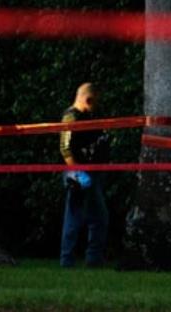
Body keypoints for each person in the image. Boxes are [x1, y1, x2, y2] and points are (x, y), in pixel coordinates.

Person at [59, 82, 110, 268]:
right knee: (75, 216)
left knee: (98, 217)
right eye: (96, 102)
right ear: (89, 99)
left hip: (93, 171)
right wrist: (77, 172)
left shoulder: (89, 116)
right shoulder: (71, 117)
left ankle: (93, 260)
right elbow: (65, 148)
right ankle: (67, 261)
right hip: (79, 173)